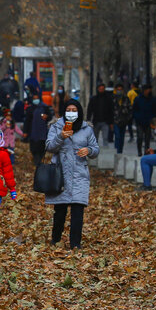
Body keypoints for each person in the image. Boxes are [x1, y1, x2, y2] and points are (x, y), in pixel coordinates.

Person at [44, 100, 99, 249]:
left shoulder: (87, 129)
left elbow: (95, 148)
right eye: (68, 109)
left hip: (79, 173)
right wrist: (60, 136)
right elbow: (49, 147)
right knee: (60, 211)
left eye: (74, 110)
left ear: (79, 112)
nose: (71, 112)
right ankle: (55, 239)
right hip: (60, 173)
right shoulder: (56, 126)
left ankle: (75, 243)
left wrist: (89, 150)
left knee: (78, 210)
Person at [23, 95, 52, 166]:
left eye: (37, 98)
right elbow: (27, 120)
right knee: (34, 149)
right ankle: (37, 162)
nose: (36, 100)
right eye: (34, 98)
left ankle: (40, 162)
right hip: (33, 132)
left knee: (41, 148)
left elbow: (50, 116)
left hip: (42, 132)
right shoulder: (30, 109)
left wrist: (46, 117)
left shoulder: (44, 107)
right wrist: (25, 131)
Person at [132, 84, 156, 155]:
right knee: (140, 137)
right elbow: (134, 109)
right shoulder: (138, 99)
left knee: (147, 138)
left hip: (149, 122)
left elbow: (154, 110)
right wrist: (137, 117)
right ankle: (139, 151)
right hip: (140, 121)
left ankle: (146, 151)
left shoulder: (152, 99)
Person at [112, 84, 133, 154]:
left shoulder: (126, 99)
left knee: (121, 137)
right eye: (118, 90)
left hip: (124, 121)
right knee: (117, 136)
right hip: (115, 120)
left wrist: (127, 119)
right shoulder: (113, 99)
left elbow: (130, 109)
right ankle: (116, 151)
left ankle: (120, 151)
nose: (119, 91)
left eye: (120, 90)